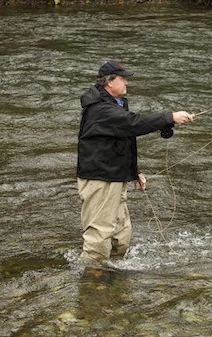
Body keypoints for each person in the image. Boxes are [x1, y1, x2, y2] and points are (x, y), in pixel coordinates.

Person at [77, 61, 194, 267]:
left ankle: (111, 276)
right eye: (123, 78)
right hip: (100, 179)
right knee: (99, 234)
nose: (127, 82)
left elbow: (125, 137)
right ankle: (92, 280)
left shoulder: (117, 104)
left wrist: (134, 172)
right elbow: (133, 123)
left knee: (121, 236)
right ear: (109, 82)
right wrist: (170, 117)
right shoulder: (100, 110)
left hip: (116, 175)